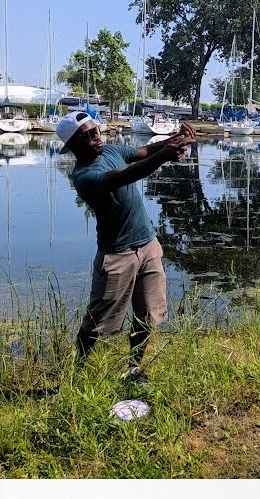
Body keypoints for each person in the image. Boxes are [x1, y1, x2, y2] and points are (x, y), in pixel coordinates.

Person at [56, 111, 196, 383]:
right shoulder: (85, 177)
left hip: (148, 245)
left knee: (148, 314)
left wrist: (176, 140)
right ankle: (76, 377)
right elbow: (127, 175)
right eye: (87, 136)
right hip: (117, 254)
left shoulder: (110, 150)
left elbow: (142, 152)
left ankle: (134, 369)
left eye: (96, 130)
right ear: (73, 145)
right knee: (97, 322)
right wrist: (165, 155)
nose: (96, 137)